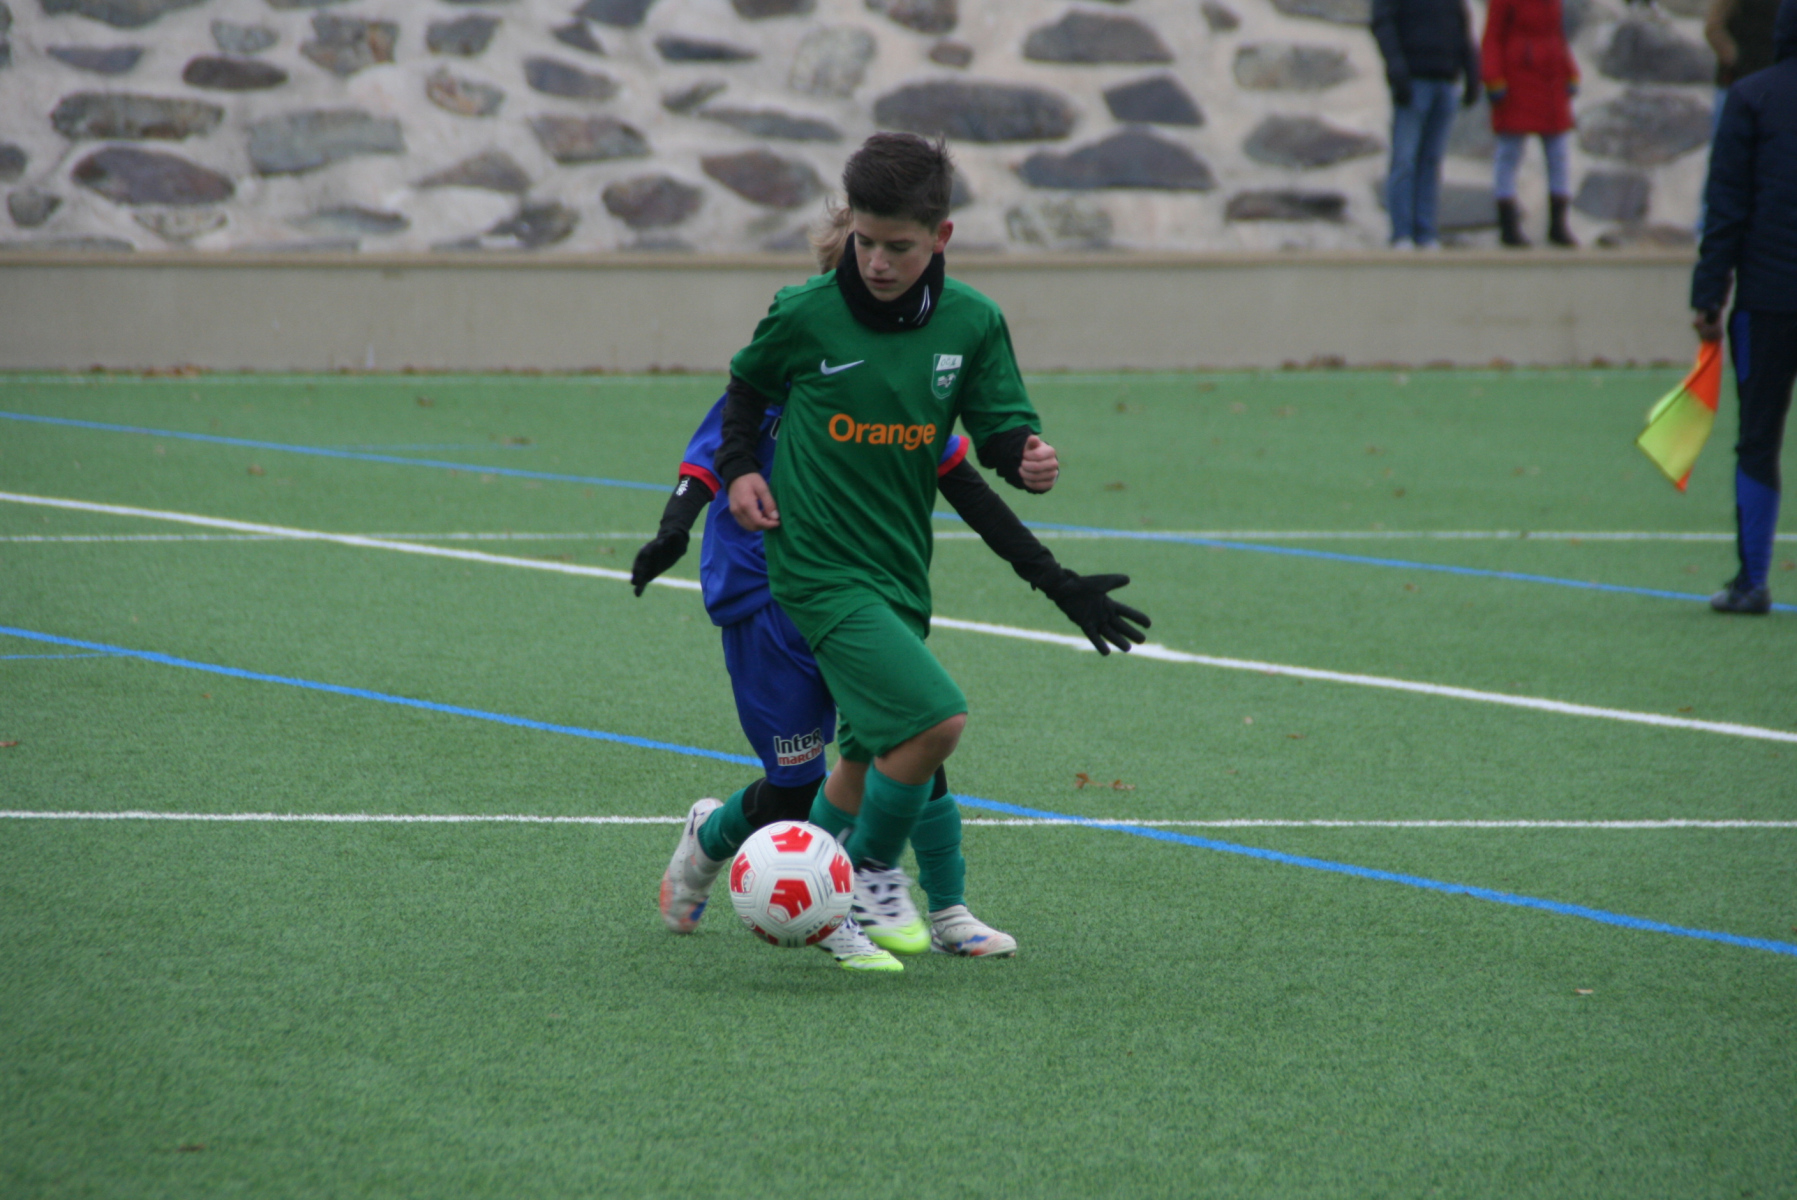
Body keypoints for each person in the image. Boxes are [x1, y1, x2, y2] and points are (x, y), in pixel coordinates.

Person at [635, 378, 1149, 969]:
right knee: (796, 788)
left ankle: (946, 912)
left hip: (857, 590)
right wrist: (673, 529)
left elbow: (962, 481)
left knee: (914, 729)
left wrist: (1054, 577)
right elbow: (701, 470)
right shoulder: (772, 375)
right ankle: (710, 837)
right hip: (763, 601)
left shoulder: (891, 387)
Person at [1691, 0, 1797, 615]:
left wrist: (1709, 296)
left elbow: (1725, 206)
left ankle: (1752, 582)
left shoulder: (1751, 96)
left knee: (1758, 439)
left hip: (1767, 300)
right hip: (1769, 295)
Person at [1372, 0, 1482, 249]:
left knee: (1431, 161)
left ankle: (1426, 232)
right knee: (1405, 159)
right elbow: (1383, 22)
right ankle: (1402, 233)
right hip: (1413, 80)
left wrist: (1471, 70)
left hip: (1445, 80)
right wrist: (1396, 68)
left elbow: (1461, 25)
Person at [1479, 0, 1580, 248]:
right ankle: (1508, 226)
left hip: (1551, 82)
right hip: (1517, 82)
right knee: (1509, 153)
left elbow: (1557, 35)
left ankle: (1558, 225)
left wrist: (1570, 70)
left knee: (1558, 154)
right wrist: (1493, 77)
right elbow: (1492, 37)